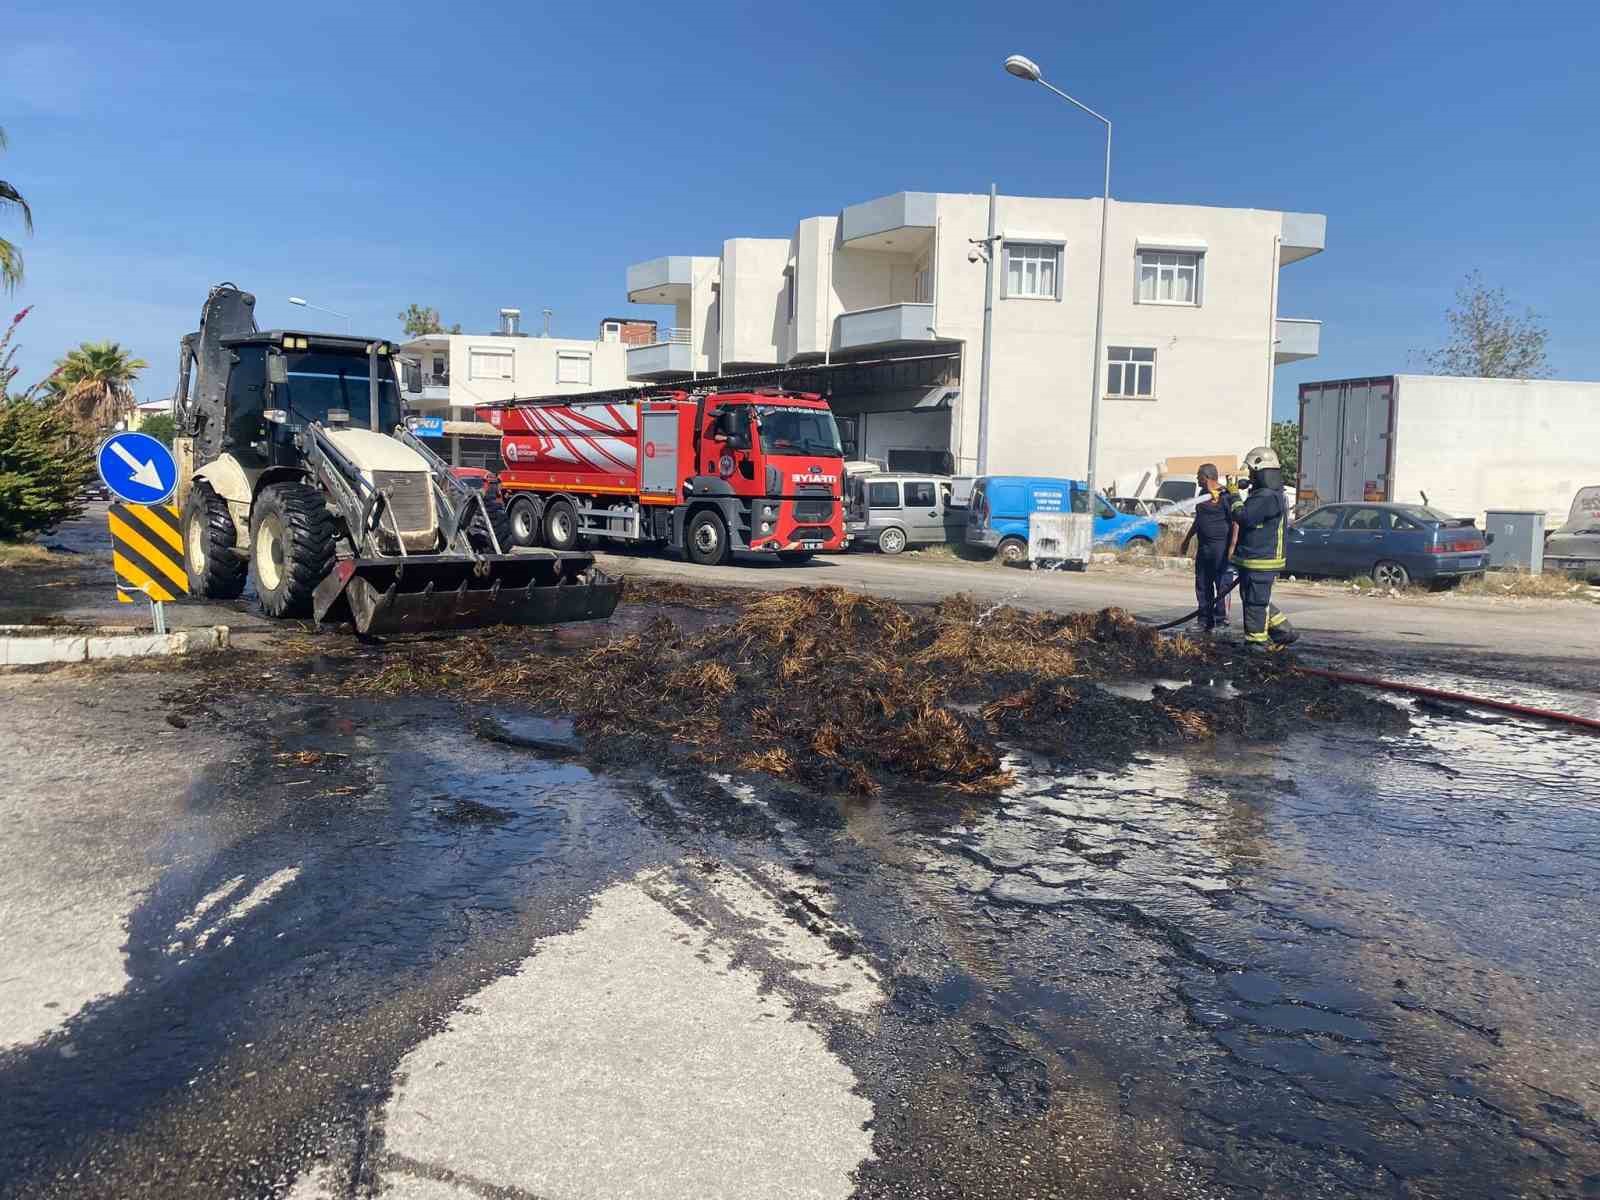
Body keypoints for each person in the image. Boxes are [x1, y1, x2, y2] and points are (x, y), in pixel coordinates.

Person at [1227, 446, 1299, 650]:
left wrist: (1233, 496)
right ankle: (1283, 630)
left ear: (1261, 470)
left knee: (1255, 603)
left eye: (1252, 472)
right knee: (1256, 599)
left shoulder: (1266, 496)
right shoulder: (1266, 494)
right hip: (1254, 558)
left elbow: (1244, 517)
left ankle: (1256, 644)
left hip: (1261, 559)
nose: (1250, 475)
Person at [1179, 463, 1234, 632]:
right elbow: (1198, 520)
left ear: (1207, 476)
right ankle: (1204, 621)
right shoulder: (1202, 495)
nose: (1197, 479)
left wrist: (1232, 546)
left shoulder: (1227, 495)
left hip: (1221, 547)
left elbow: (1236, 522)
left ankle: (1221, 621)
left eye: (1198, 476)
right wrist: (1187, 539)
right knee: (1202, 583)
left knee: (1222, 584)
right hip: (1204, 547)